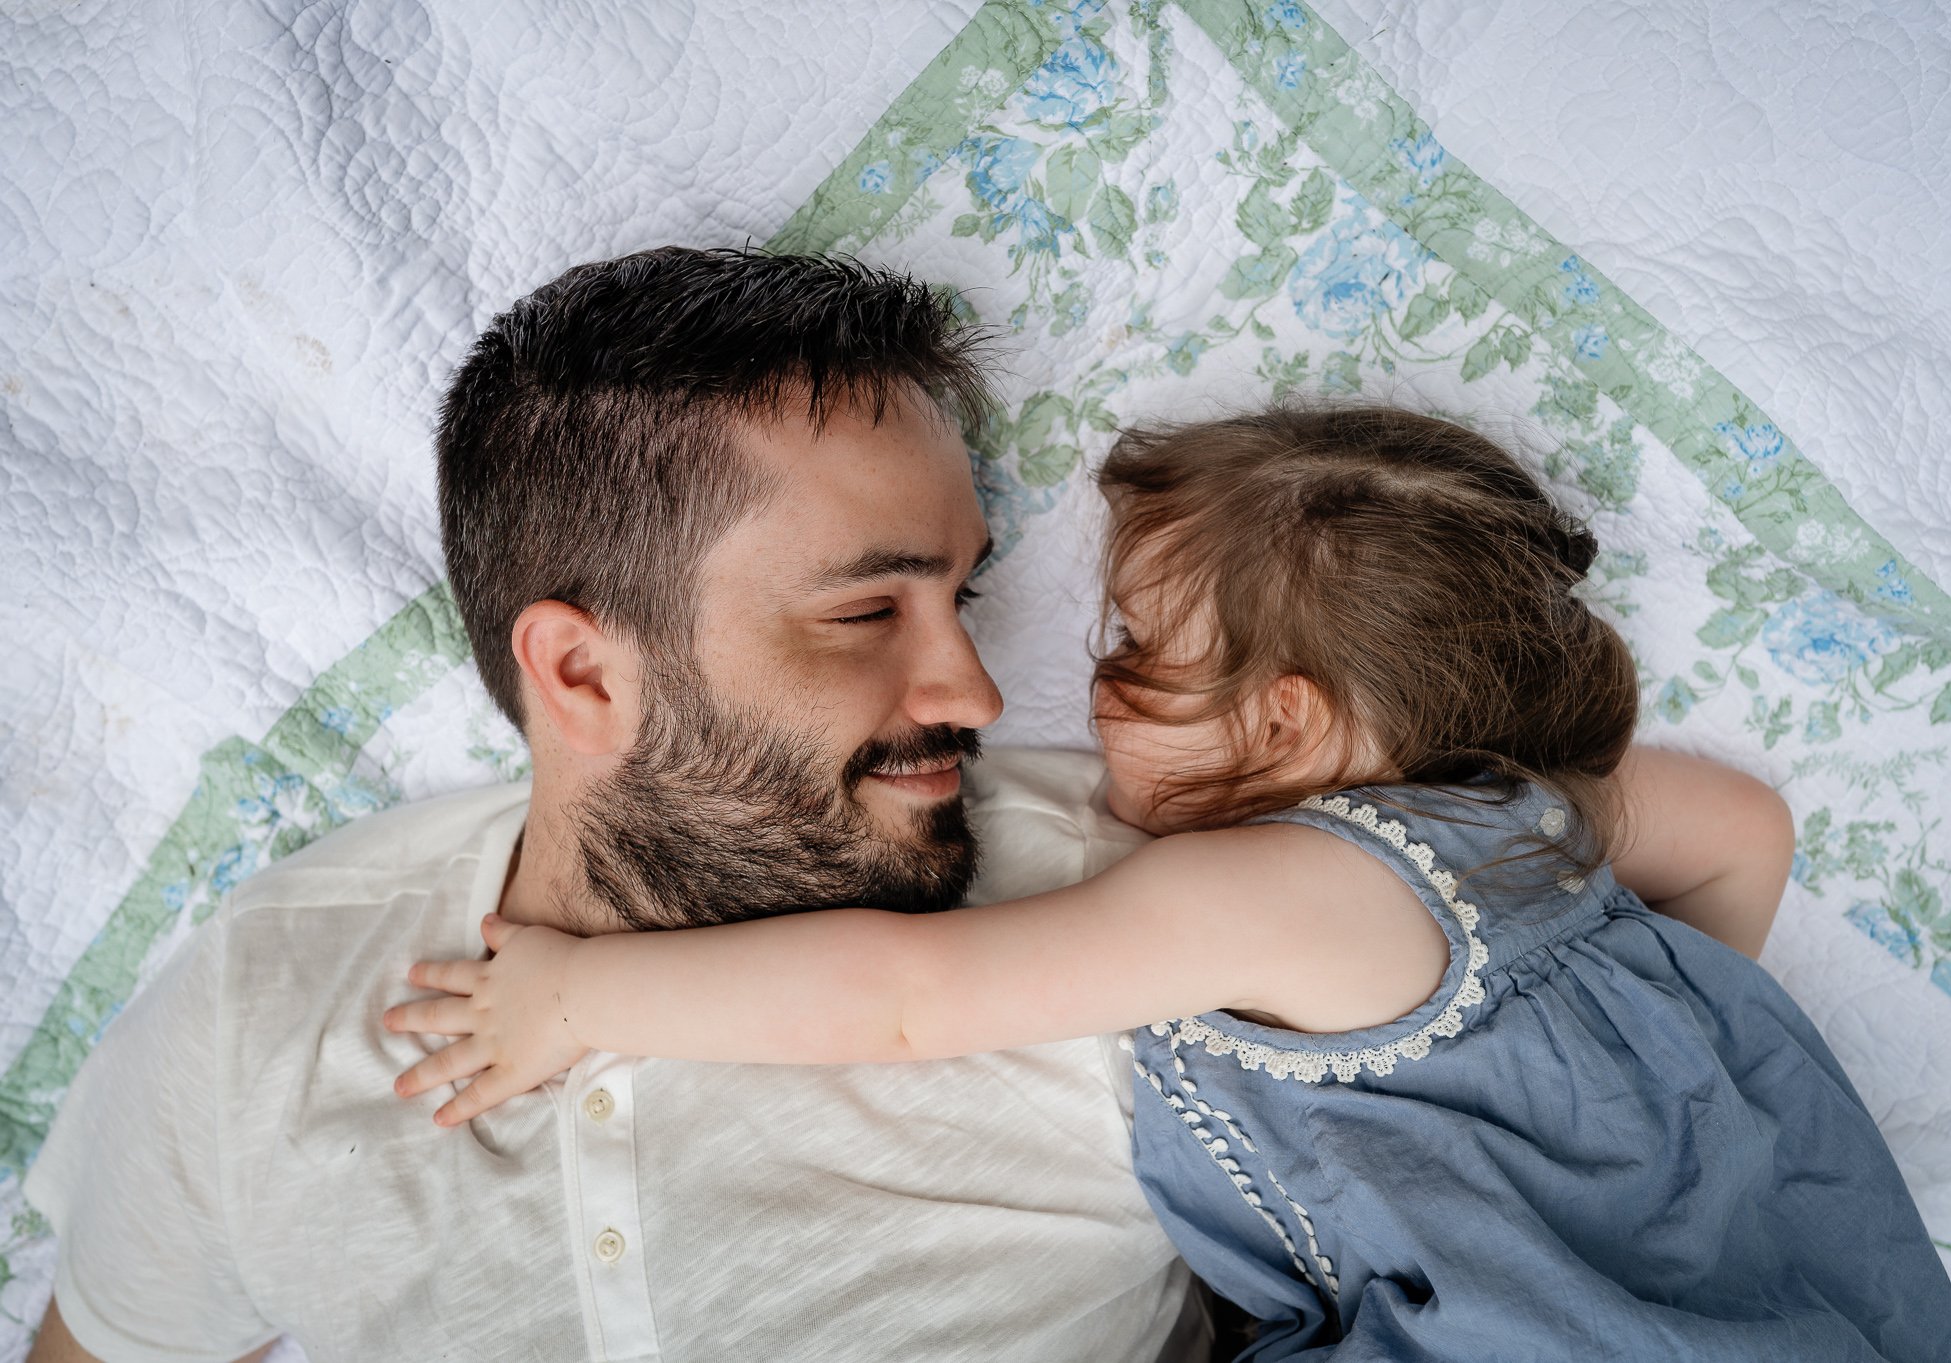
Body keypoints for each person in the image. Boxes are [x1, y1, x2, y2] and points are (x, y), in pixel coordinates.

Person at [389, 405, 1951, 1361]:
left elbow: (905, 998)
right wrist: (1642, 1125)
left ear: (1284, 717)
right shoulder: (1519, 832)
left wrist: (579, 992)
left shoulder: (1282, 889)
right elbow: (1748, 830)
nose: (1082, 687)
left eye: (1140, 652)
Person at [22, 248, 1196, 1361]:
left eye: (959, 592)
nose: (974, 692)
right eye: (864, 614)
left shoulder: (1140, 919)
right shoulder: (266, 1009)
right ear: (582, 675)